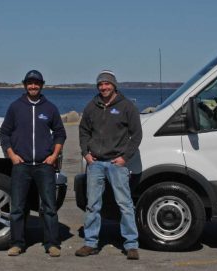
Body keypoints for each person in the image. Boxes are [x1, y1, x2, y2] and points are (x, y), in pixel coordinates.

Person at [75, 70, 142, 260]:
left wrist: (125, 157)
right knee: (92, 205)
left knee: (125, 204)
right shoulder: (92, 107)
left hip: (117, 163)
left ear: (114, 85)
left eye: (107, 84)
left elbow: (136, 135)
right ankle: (90, 243)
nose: (103, 87)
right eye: (100, 85)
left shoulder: (126, 106)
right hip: (95, 163)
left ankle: (131, 245)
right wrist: (85, 153)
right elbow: (83, 131)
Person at [0, 70, 66, 257]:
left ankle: (52, 244)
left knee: (49, 208)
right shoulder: (15, 107)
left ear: (42, 85)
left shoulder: (50, 108)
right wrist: (11, 155)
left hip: (45, 165)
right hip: (21, 165)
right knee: (18, 207)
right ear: (25, 85)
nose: (33, 86)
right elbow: (4, 133)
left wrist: (54, 155)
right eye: (30, 83)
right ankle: (17, 243)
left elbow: (60, 133)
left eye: (37, 83)